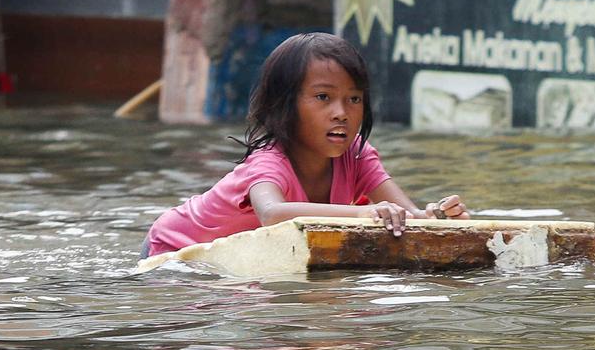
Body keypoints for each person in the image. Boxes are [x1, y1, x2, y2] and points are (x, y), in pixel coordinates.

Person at [142, 32, 470, 258]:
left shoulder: (357, 155)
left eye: (353, 99)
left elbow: (404, 215)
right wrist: (364, 213)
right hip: (172, 249)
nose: (341, 113)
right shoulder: (269, 161)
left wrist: (436, 216)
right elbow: (272, 214)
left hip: (233, 256)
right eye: (323, 97)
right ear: (285, 106)